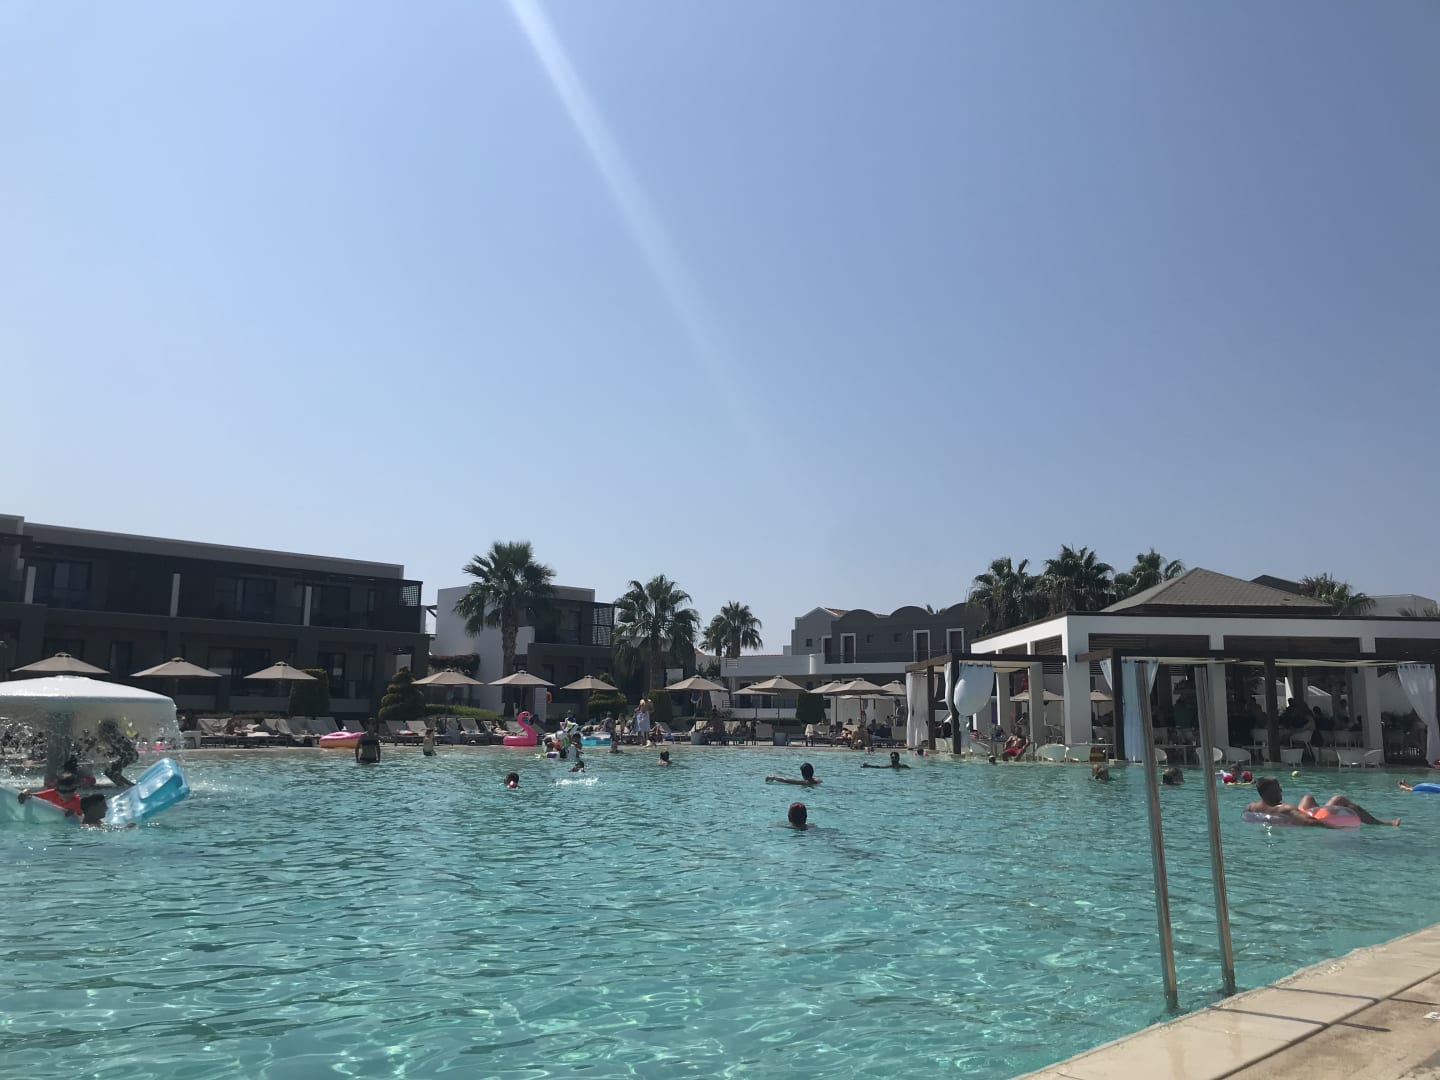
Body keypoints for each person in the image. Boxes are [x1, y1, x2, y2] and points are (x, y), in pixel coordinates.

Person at [1246, 776, 1399, 827]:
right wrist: (1333, 826)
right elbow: (1309, 821)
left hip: (1298, 815)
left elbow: (1246, 817)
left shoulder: (1252, 807)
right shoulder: (1285, 808)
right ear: (1269, 792)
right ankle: (1381, 823)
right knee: (1339, 799)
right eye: (1278, 789)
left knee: (1308, 798)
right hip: (1314, 818)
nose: (1281, 790)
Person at [18, 767, 85, 815]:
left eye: (71, 790)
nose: (67, 794)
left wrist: (74, 813)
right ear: (57, 790)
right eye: (63, 791)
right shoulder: (53, 793)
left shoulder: (77, 801)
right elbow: (31, 796)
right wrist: (25, 792)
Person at [94, 718, 139, 787]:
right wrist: (110, 754)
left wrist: (110, 754)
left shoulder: (112, 736)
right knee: (111, 772)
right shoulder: (116, 736)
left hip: (129, 756)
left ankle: (126, 785)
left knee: (110, 772)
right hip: (130, 755)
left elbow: (120, 749)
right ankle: (126, 784)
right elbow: (120, 749)